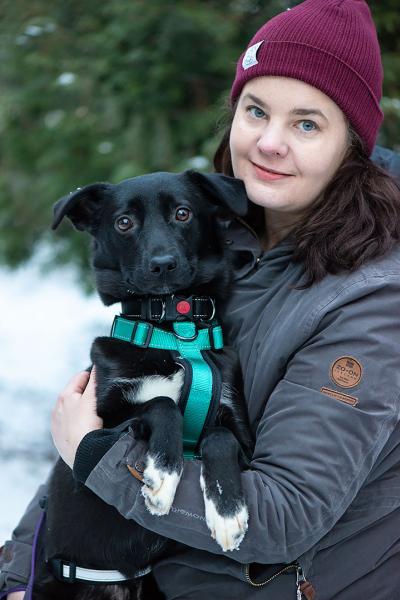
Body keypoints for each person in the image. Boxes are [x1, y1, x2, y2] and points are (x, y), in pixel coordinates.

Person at [2, 0, 400, 598]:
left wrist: (96, 457)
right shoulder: (204, 253)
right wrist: (19, 574)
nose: (269, 142)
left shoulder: (372, 300)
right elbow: (86, 434)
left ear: (352, 146)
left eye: (306, 124)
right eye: (256, 111)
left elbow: (283, 516)